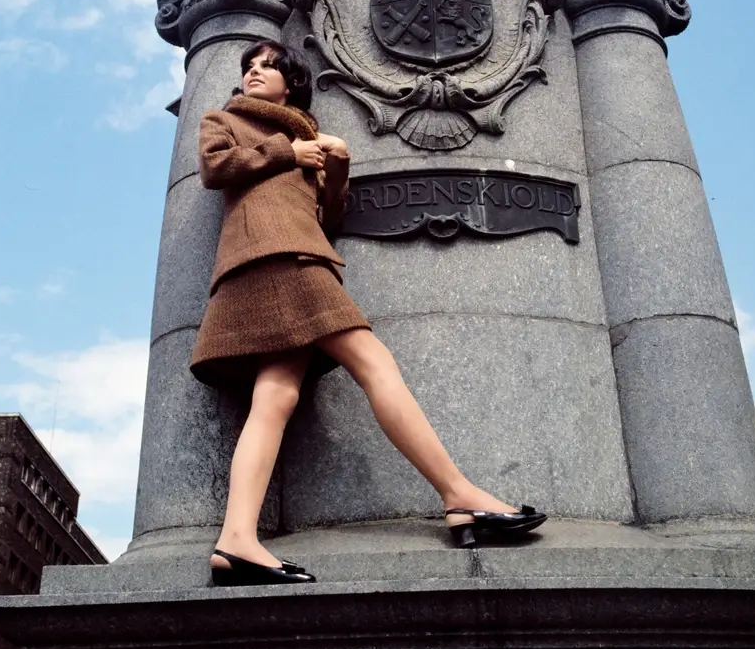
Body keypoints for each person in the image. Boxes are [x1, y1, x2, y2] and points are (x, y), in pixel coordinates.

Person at [193, 41, 546, 586]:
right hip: (280, 256)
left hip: (292, 252)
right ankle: (459, 495)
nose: (255, 73)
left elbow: (327, 216)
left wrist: (336, 167)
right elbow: (215, 168)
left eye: (268, 66)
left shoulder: (309, 136)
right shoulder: (229, 120)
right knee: (373, 363)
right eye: (249, 67)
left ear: (292, 82)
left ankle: (236, 539)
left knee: (276, 395)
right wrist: (289, 153)